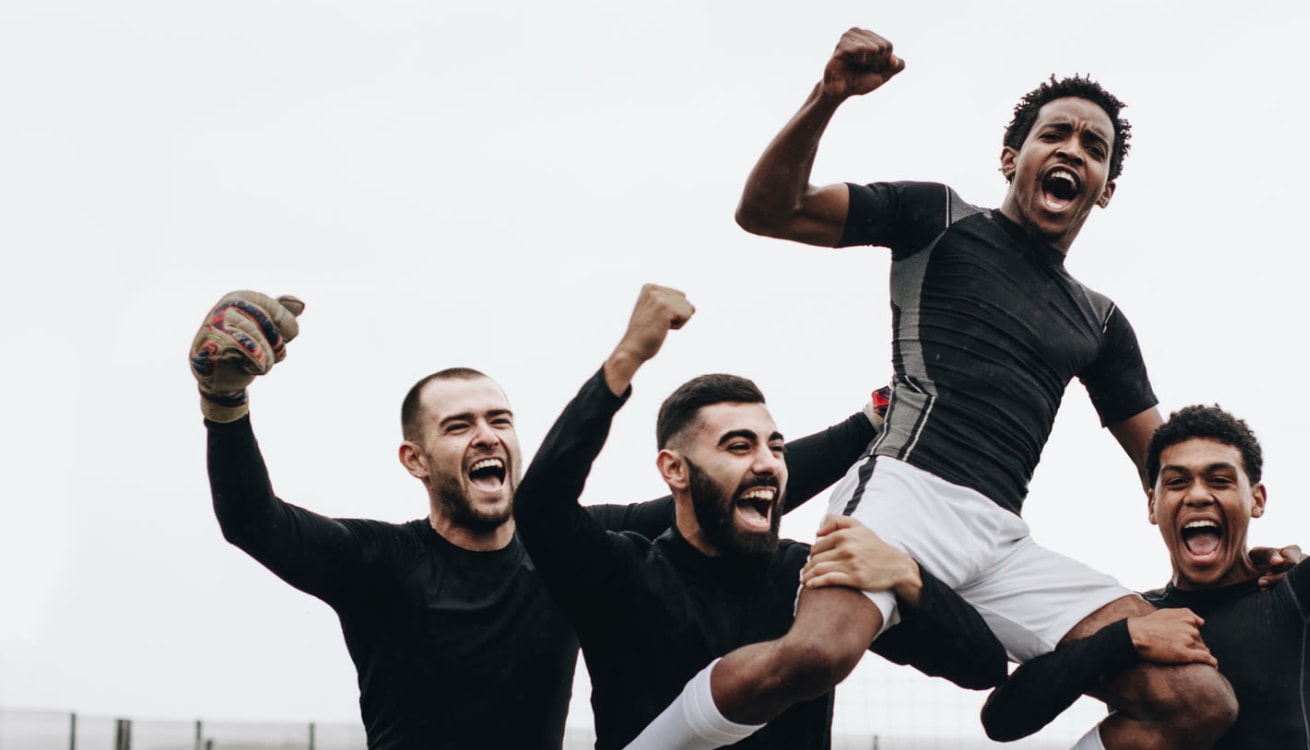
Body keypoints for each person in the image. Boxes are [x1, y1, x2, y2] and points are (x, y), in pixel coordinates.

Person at [638, 27, 1238, 750]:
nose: (1074, 150)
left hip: (1005, 541)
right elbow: (768, 211)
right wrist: (828, 98)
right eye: (1057, 134)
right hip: (904, 495)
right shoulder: (938, 219)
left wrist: (1242, 555)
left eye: (1094, 147)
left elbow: (1167, 467)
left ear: (1104, 189)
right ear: (1012, 158)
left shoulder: (1102, 322)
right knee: (818, 656)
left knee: (1199, 697)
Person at [190, 290, 877, 750]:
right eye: (458, 426)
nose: (487, 437)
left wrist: (875, 417)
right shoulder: (381, 561)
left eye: (500, 421)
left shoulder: (570, 554)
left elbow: (727, 488)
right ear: (416, 460)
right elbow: (254, 521)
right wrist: (224, 406)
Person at [508, 284, 1008, 749]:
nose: (768, 463)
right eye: (739, 446)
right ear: (675, 470)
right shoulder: (622, 576)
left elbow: (981, 664)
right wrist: (628, 356)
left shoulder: (814, 578)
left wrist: (909, 578)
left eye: (775, 447)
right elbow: (538, 507)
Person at [981, 196, 1310, 749]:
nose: (1197, 494)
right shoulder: (1137, 617)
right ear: (1152, 505)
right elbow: (1003, 719)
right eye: (1177, 481)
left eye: (1220, 479)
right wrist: (1123, 641)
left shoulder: (1301, 601)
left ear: (1258, 499)